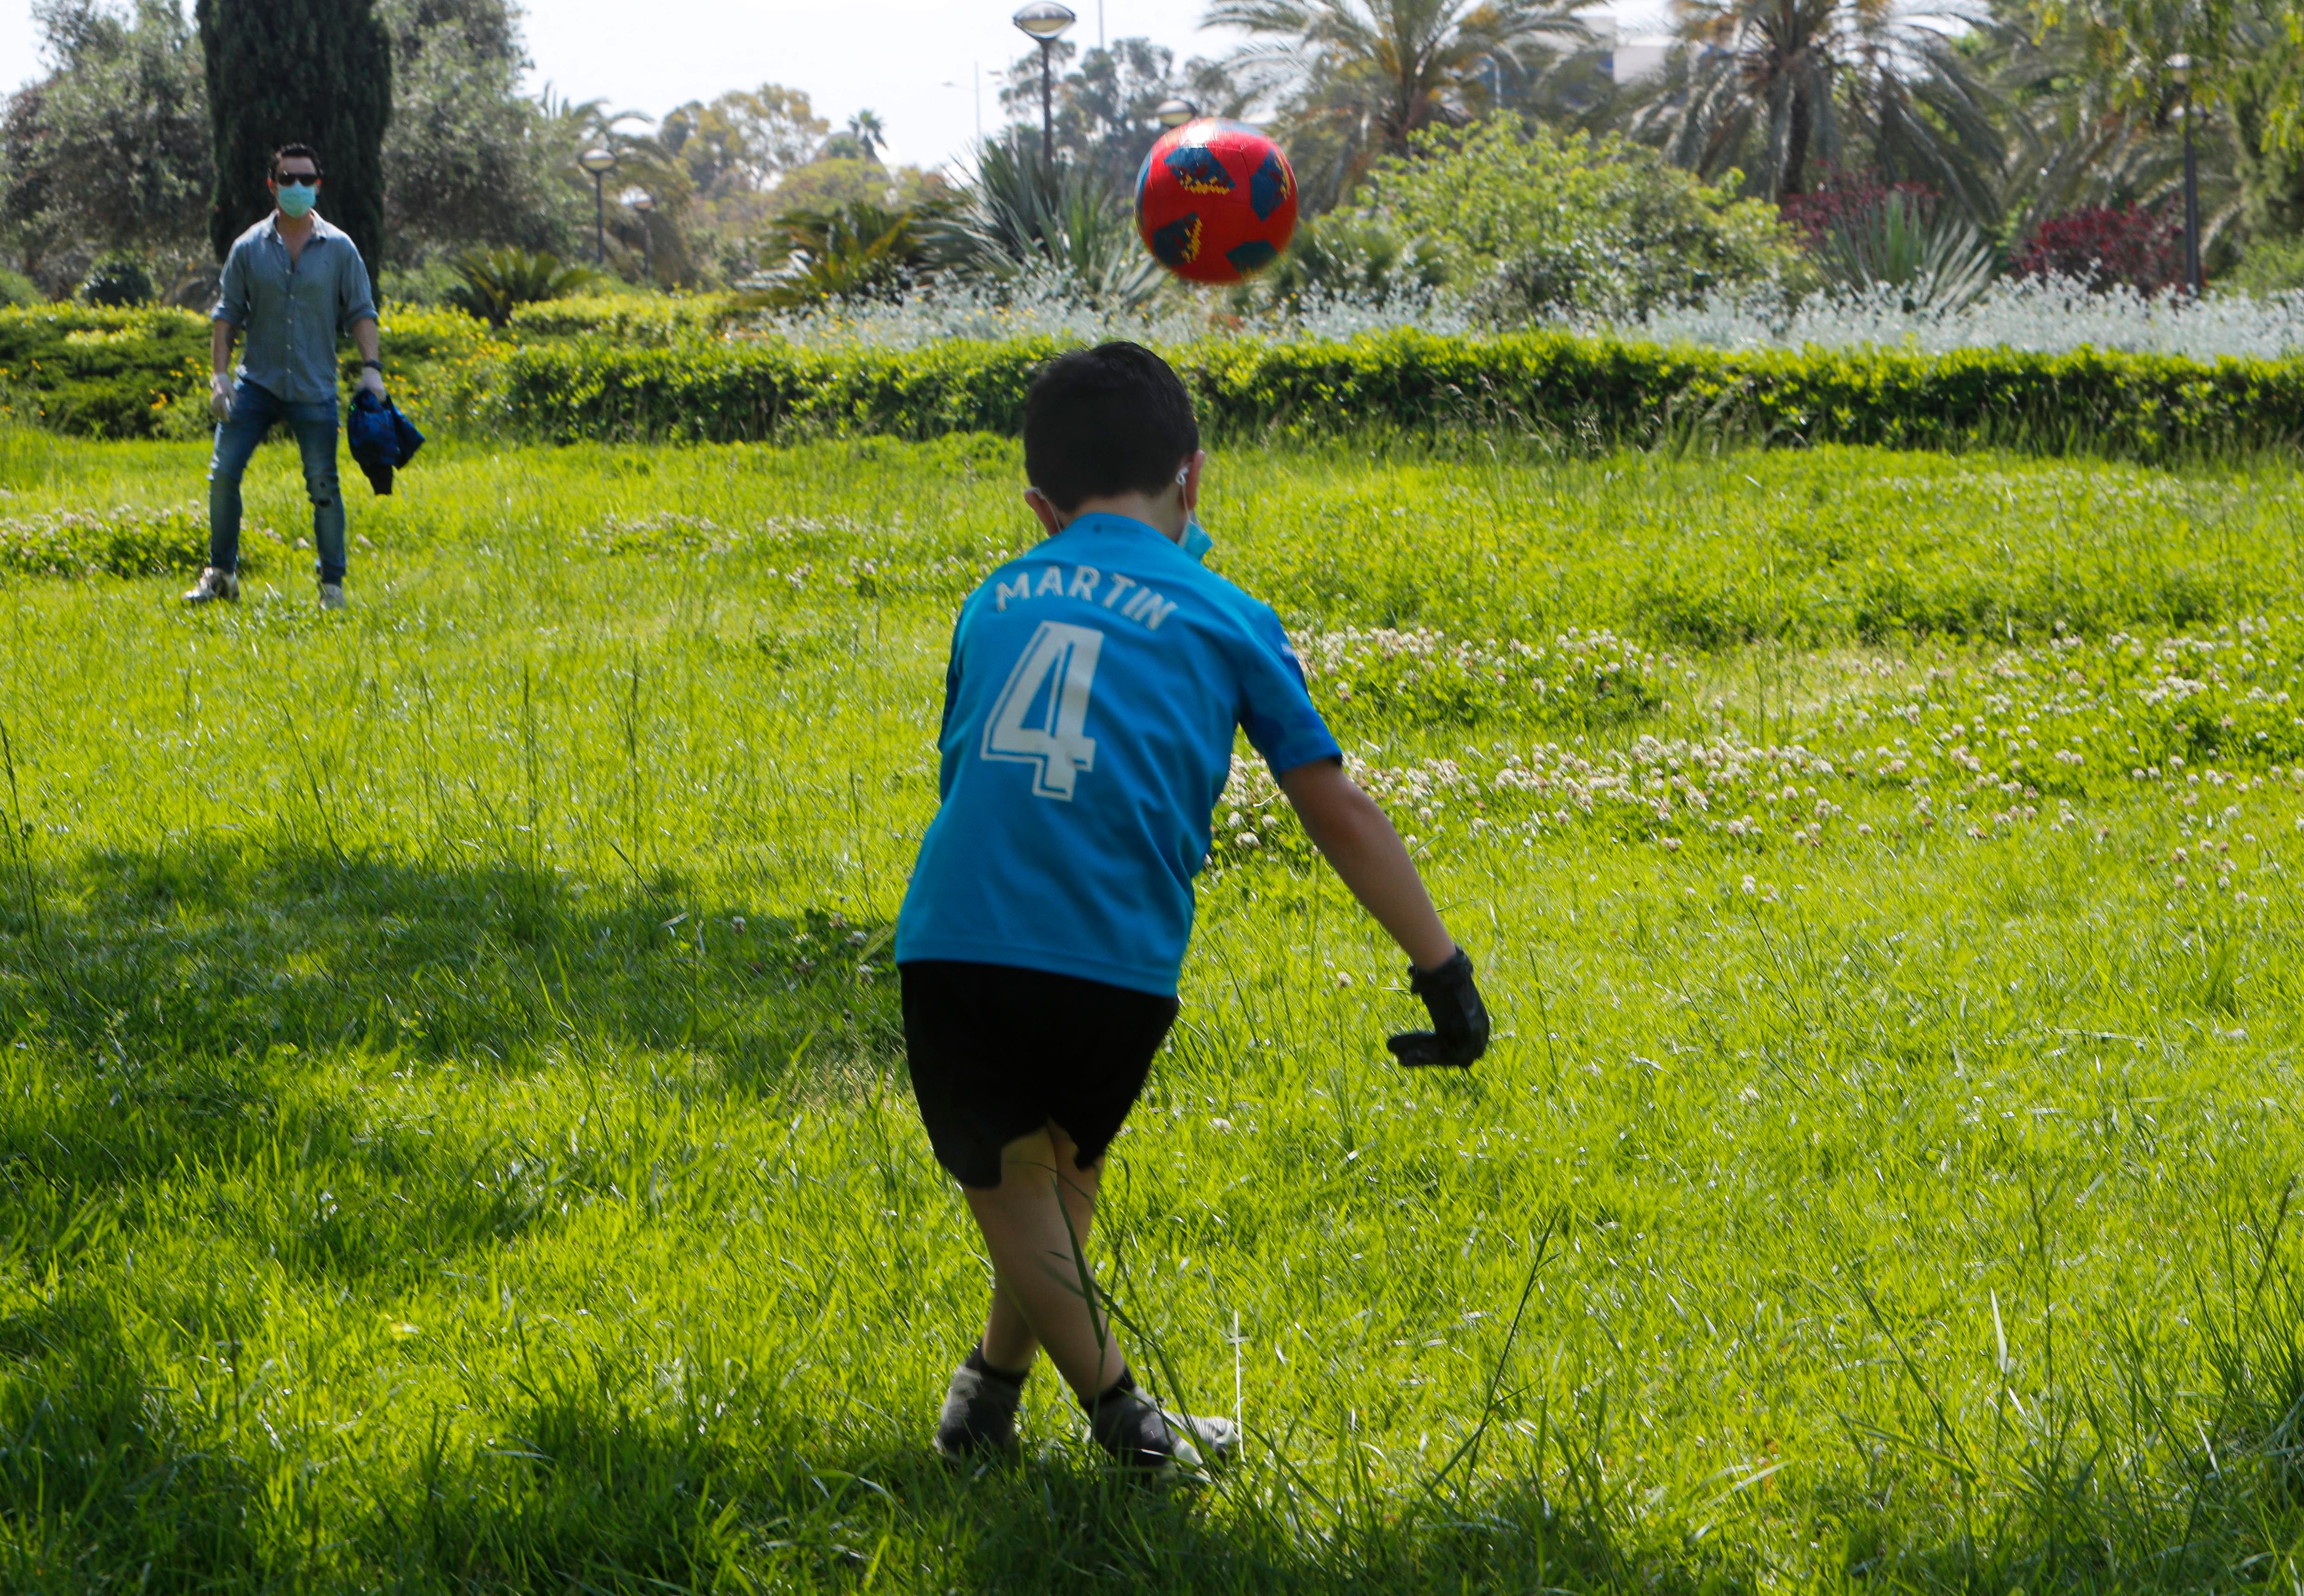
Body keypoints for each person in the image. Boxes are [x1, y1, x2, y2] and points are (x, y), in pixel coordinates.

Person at [895, 341, 1490, 1481]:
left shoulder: (991, 599)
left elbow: (962, 770)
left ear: (1039, 509)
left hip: (960, 941)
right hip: (1118, 964)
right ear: (1194, 478)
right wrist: (1441, 968)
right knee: (1052, 1175)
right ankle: (1062, 1411)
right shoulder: (1227, 612)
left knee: (1022, 1185)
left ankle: (1072, 1417)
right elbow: (1334, 804)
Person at [182, 144, 385, 611]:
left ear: (318, 185)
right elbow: (227, 314)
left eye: (306, 179)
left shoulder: (340, 248)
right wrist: (219, 377)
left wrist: (372, 371)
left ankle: (332, 587)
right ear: (272, 186)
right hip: (256, 384)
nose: (297, 187)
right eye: (288, 179)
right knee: (223, 475)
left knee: (323, 485)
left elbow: (361, 311)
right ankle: (221, 575)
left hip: (315, 386)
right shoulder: (248, 247)